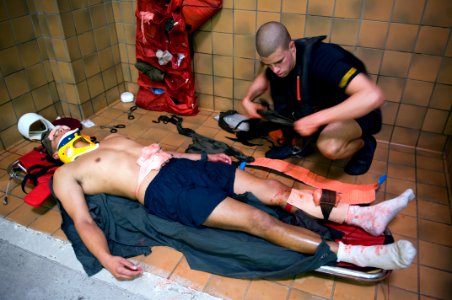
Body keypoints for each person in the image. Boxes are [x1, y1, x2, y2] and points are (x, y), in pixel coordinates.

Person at [43, 125, 416, 281]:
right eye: (53, 136)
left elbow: (164, 152)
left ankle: (364, 217)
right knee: (259, 221)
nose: (59, 131)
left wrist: (204, 159)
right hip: (163, 191)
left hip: (180, 169)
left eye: (61, 127)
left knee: (275, 190)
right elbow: (83, 221)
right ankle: (359, 254)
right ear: (55, 152)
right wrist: (106, 259)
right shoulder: (65, 175)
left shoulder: (112, 136)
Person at [242, 21, 384, 175]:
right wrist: (247, 99)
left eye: (278, 62)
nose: (275, 69)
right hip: (323, 108)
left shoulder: (324, 58)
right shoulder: (277, 62)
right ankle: (295, 143)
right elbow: (264, 77)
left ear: (291, 47)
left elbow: (372, 96)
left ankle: (365, 145)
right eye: (269, 64)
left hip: (356, 110)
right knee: (281, 91)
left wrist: (317, 119)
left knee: (329, 146)